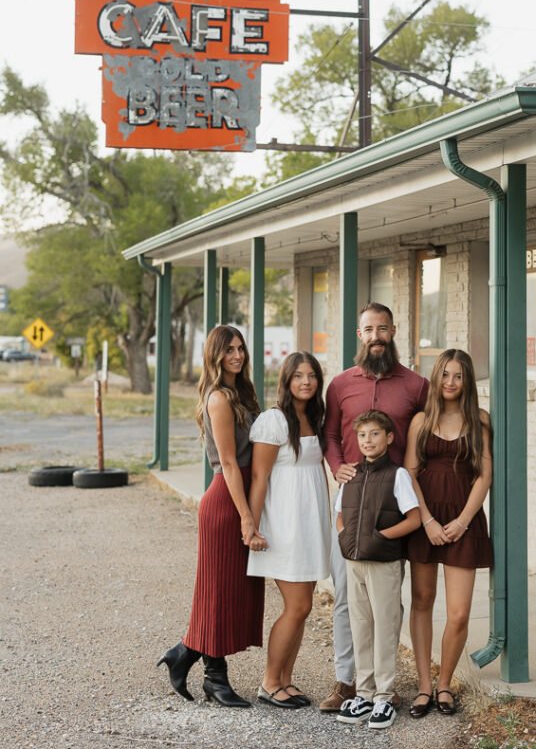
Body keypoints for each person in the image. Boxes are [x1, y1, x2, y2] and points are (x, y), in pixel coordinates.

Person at [321, 302, 428, 713]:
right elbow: (331, 435)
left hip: (393, 504)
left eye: (383, 328)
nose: (376, 336)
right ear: (359, 334)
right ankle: (347, 682)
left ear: (394, 331)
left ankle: (385, 686)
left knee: (386, 604)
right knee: (347, 600)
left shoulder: (416, 385)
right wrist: (338, 467)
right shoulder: (340, 385)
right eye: (369, 329)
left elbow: (427, 435)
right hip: (351, 503)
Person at [157, 325, 265, 707]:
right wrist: (246, 517)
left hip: (240, 498)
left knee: (230, 591)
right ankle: (213, 678)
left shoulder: (243, 393)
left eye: (240, 348)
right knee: (218, 592)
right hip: (226, 502)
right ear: (214, 356)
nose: (237, 355)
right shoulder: (219, 398)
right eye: (229, 350)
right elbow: (230, 464)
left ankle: (186, 655)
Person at [404, 349, 493, 718]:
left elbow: (484, 476)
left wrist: (463, 521)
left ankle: (445, 684)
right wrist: (426, 520)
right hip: (426, 519)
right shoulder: (421, 420)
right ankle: (425, 685)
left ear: (467, 380)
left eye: (458, 376)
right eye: (445, 374)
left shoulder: (480, 420)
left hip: (463, 520)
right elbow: (409, 472)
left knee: (458, 613)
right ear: (436, 377)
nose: (451, 382)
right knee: (422, 600)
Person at [248, 352, 331, 710]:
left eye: (311, 375)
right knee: (297, 606)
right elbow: (259, 477)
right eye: (298, 376)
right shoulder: (274, 420)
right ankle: (270, 682)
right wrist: (251, 526)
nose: (306, 382)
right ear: (286, 380)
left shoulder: (315, 416)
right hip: (285, 524)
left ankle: (285, 679)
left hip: (310, 522)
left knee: (303, 607)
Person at [335, 411, 421, 730]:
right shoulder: (351, 474)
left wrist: (380, 537)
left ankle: (384, 696)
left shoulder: (397, 475)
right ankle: (364, 693)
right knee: (361, 625)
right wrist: (344, 535)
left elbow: (413, 519)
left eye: (374, 434)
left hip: (384, 563)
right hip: (354, 562)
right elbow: (339, 514)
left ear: (389, 437)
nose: (367, 440)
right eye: (362, 435)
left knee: (385, 626)